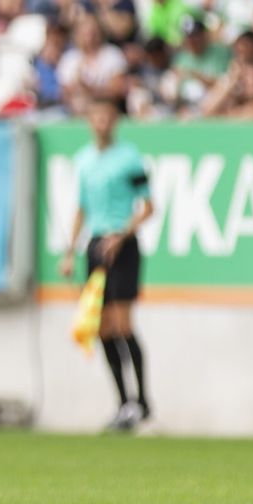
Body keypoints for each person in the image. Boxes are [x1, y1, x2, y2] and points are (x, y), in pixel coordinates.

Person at [59, 97, 154, 431]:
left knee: (123, 324)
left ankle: (143, 401)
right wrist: (70, 251)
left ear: (114, 121)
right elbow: (81, 208)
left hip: (123, 245)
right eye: (95, 117)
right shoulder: (84, 160)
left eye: (106, 117)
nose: (101, 123)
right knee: (100, 327)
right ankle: (123, 402)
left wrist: (122, 234)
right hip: (96, 245)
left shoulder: (129, 158)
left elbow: (148, 206)